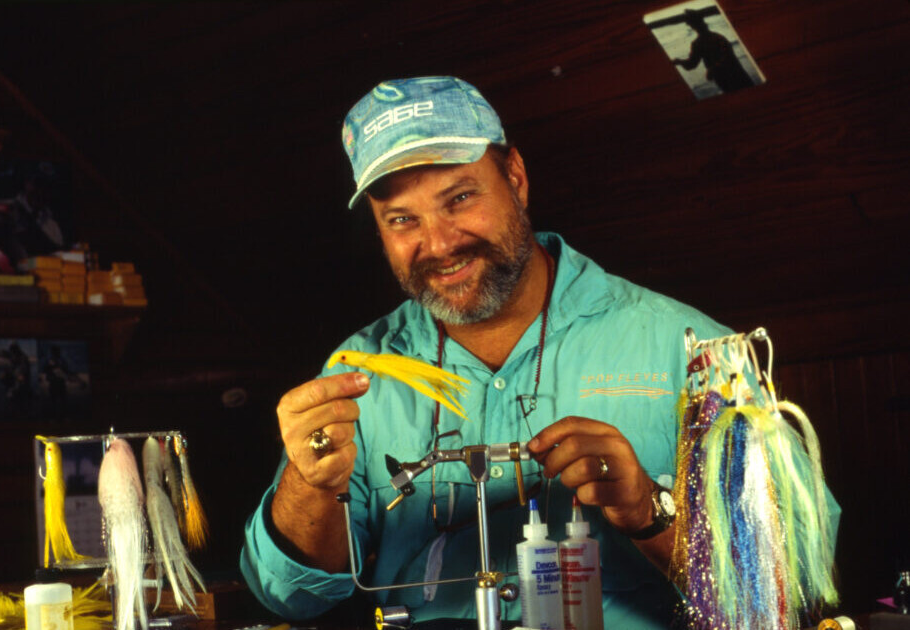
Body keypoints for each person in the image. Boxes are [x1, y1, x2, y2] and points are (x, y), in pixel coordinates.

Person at [240, 76, 824, 626]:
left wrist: (649, 511)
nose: (439, 243)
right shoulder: (356, 372)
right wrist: (309, 481)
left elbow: (792, 587)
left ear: (515, 177)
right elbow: (288, 595)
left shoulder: (692, 351)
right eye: (402, 219)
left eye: (460, 197)